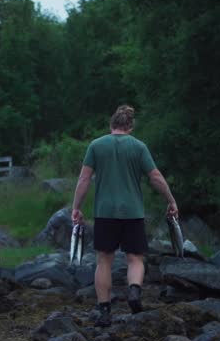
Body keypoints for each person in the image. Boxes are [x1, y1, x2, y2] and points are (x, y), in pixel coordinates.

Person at [71, 105, 179, 326]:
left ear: (112, 125)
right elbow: (155, 177)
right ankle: (134, 292)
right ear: (130, 127)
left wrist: (76, 207)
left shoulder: (96, 146)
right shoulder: (139, 147)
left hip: (105, 212)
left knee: (104, 261)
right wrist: (171, 200)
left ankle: (104, 311)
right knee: (135, 258)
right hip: (133, 212)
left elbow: (84, 180)